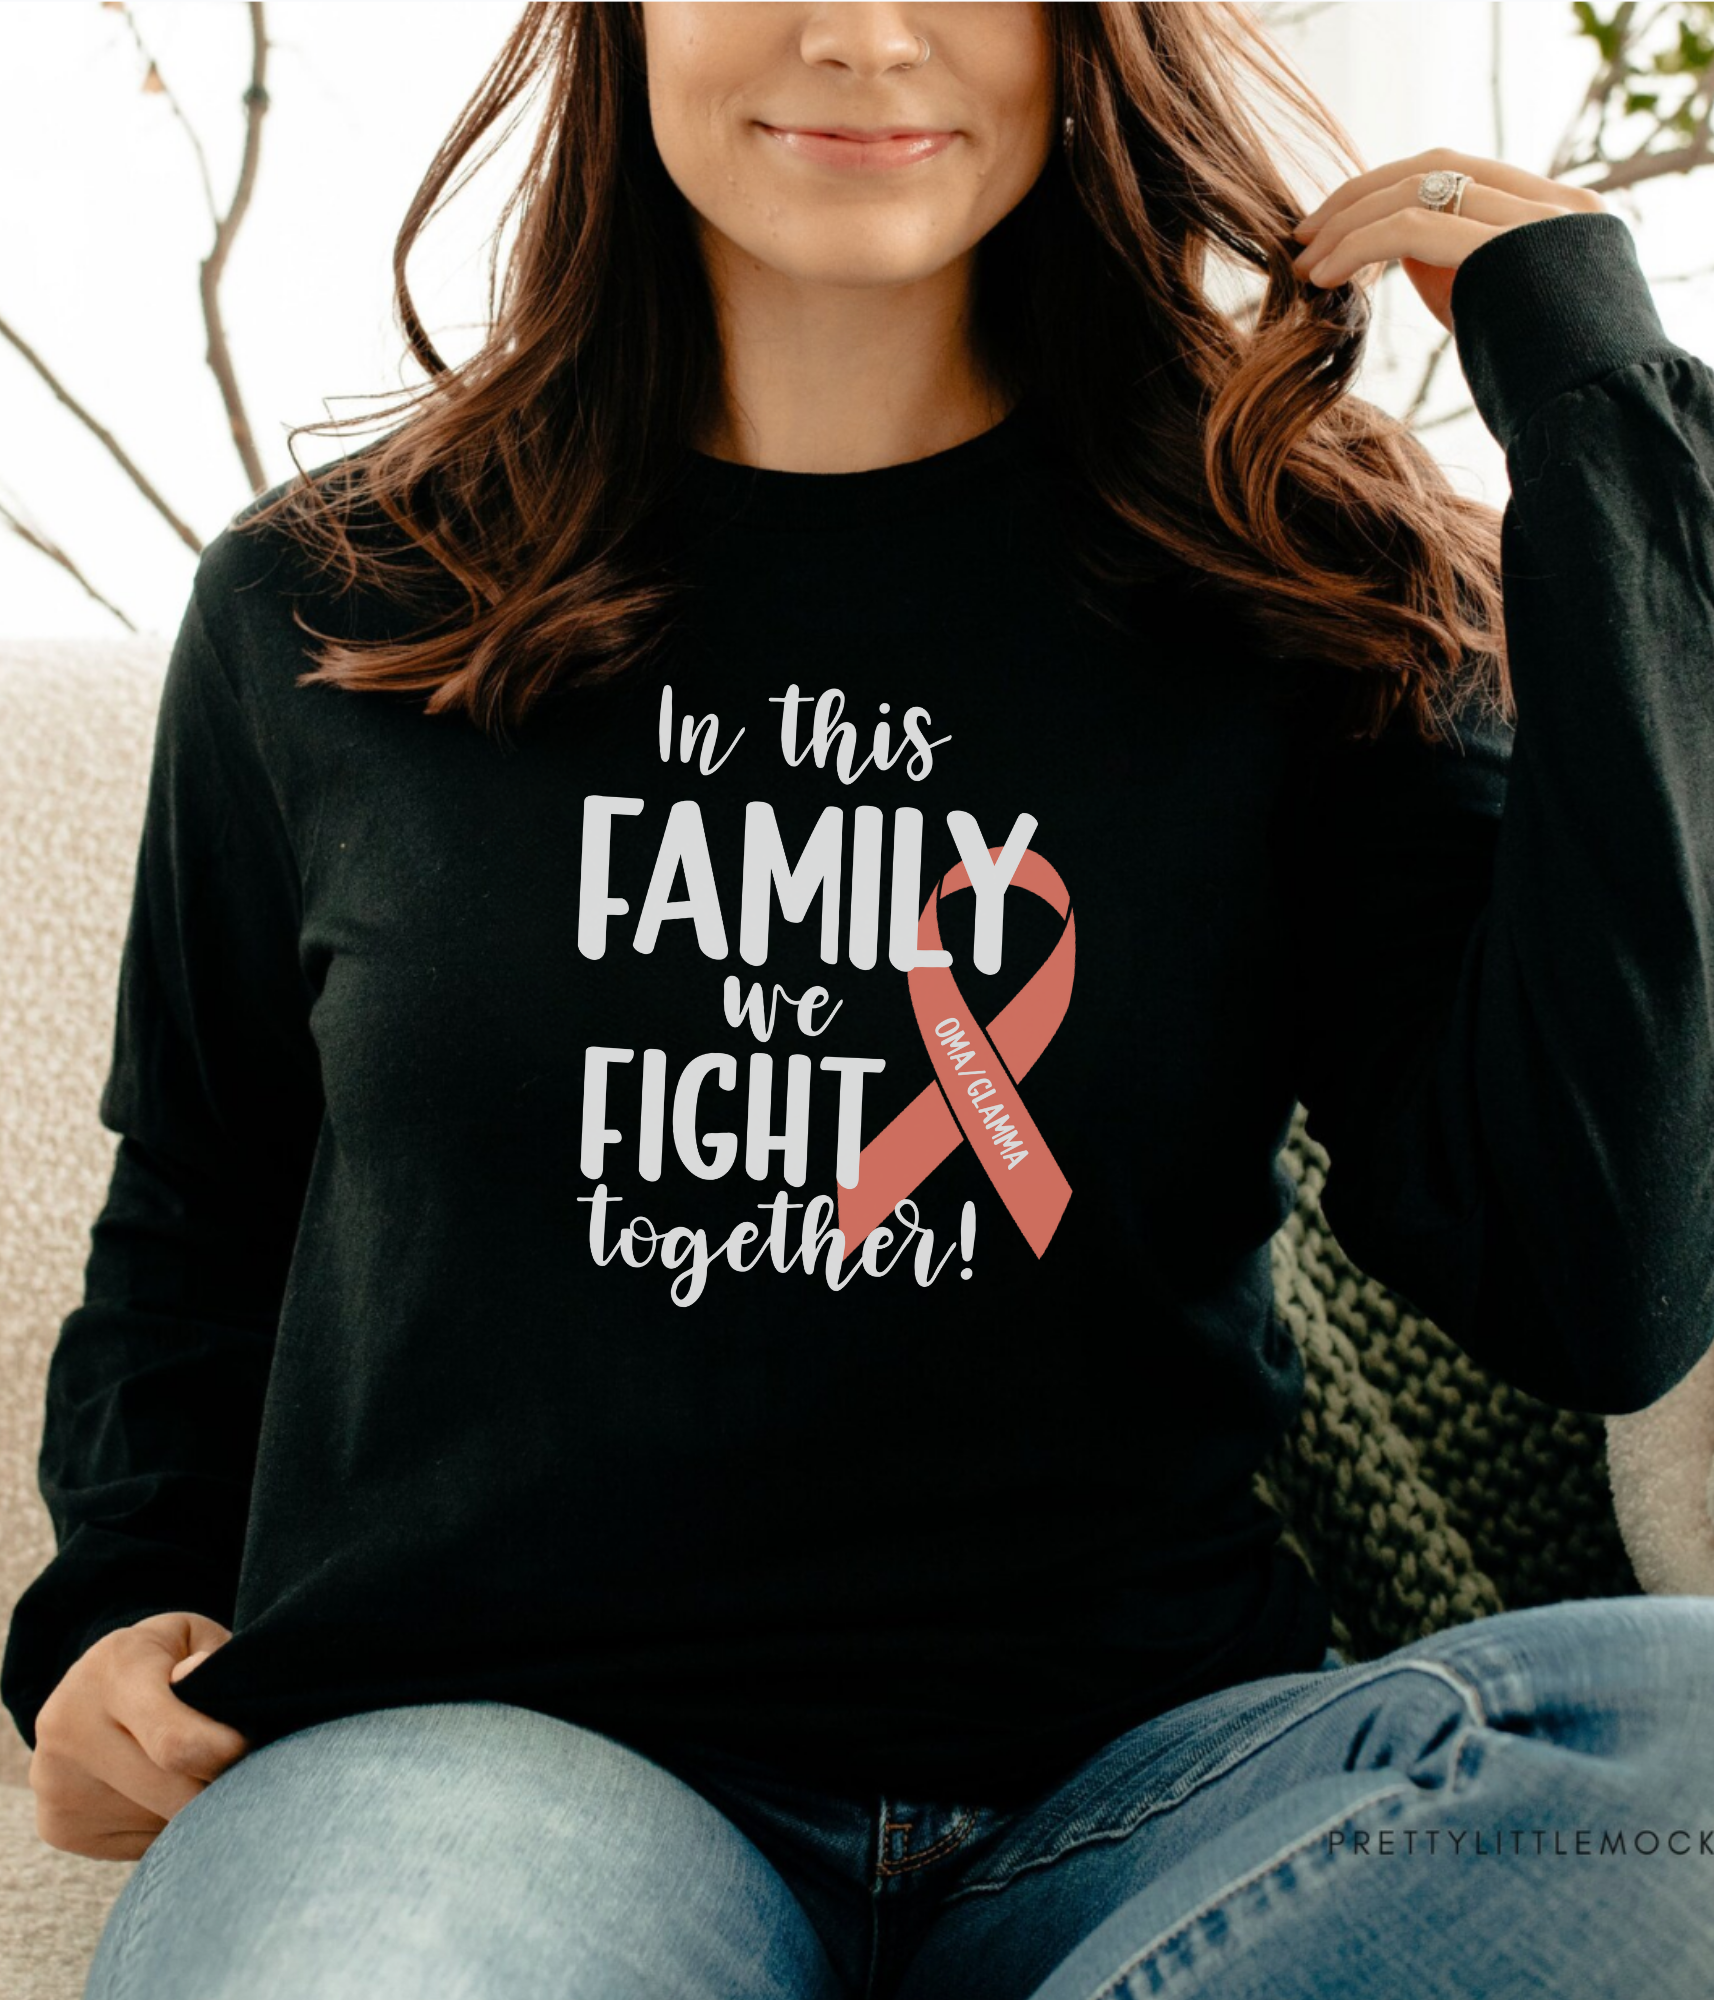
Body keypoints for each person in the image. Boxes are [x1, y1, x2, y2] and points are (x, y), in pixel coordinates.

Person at [6, 3, 1714, 1995]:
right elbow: (205, 1208)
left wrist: (1598, 410)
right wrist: (106, 1609)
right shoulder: (341, 604)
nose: (858, 33)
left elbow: (1600, 1269)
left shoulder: (1290, 597)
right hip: (496, 1775)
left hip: (1150, 1813)